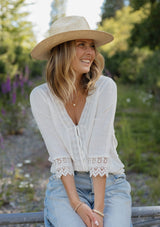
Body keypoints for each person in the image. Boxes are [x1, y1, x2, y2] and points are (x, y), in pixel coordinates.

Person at [30, 16, 132, 227]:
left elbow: (99, 150)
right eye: (81, 45)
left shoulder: (105, 88)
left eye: (92, 46)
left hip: (111, 184)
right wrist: (76, 203)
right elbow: (59, 155)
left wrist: (99, 211)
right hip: (65, 187)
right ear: (62, 50)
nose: (90, 53)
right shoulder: (40, 96)